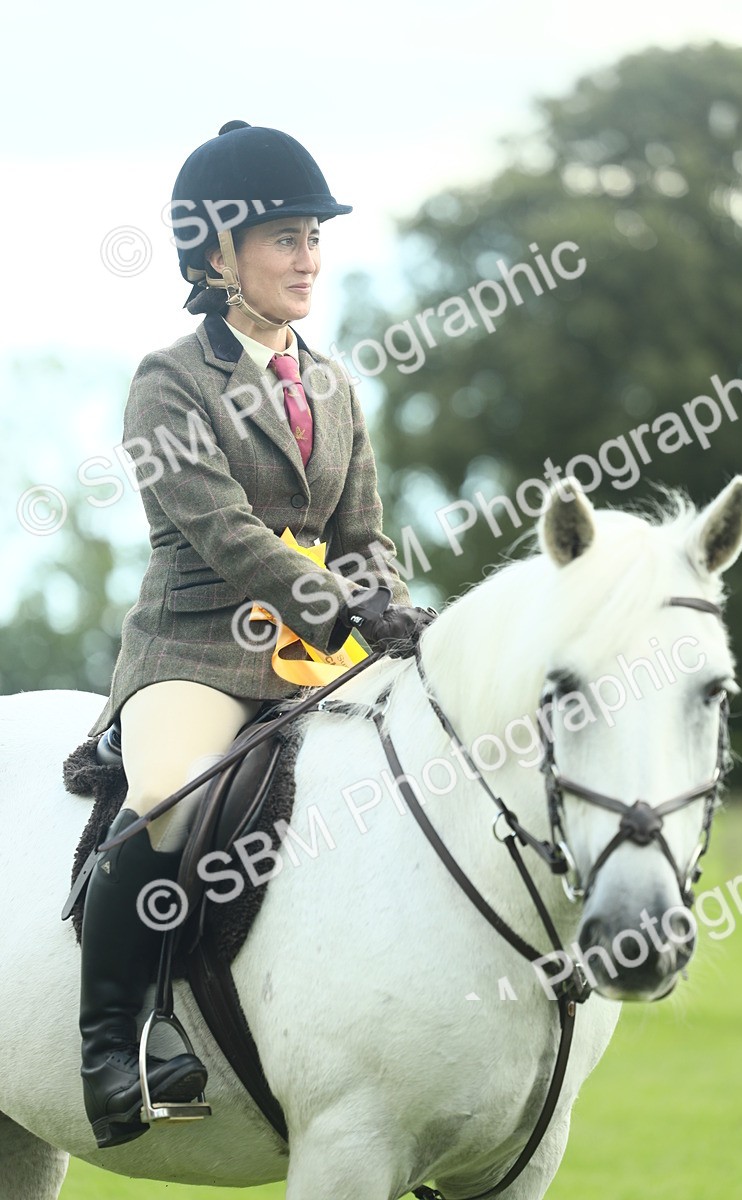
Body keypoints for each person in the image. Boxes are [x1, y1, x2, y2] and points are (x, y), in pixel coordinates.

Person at [78, 120, 433, 1150]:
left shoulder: (332, 383)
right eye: (282, 236)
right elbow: (229, 536)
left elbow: (361, 534)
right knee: (163, 795)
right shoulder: (168, 381)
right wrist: (340, 604)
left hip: (322, 659)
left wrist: (391, 604)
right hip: (199, 650)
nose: (308, 257)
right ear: (215, 256)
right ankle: (117, 1040)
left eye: (313, 236)